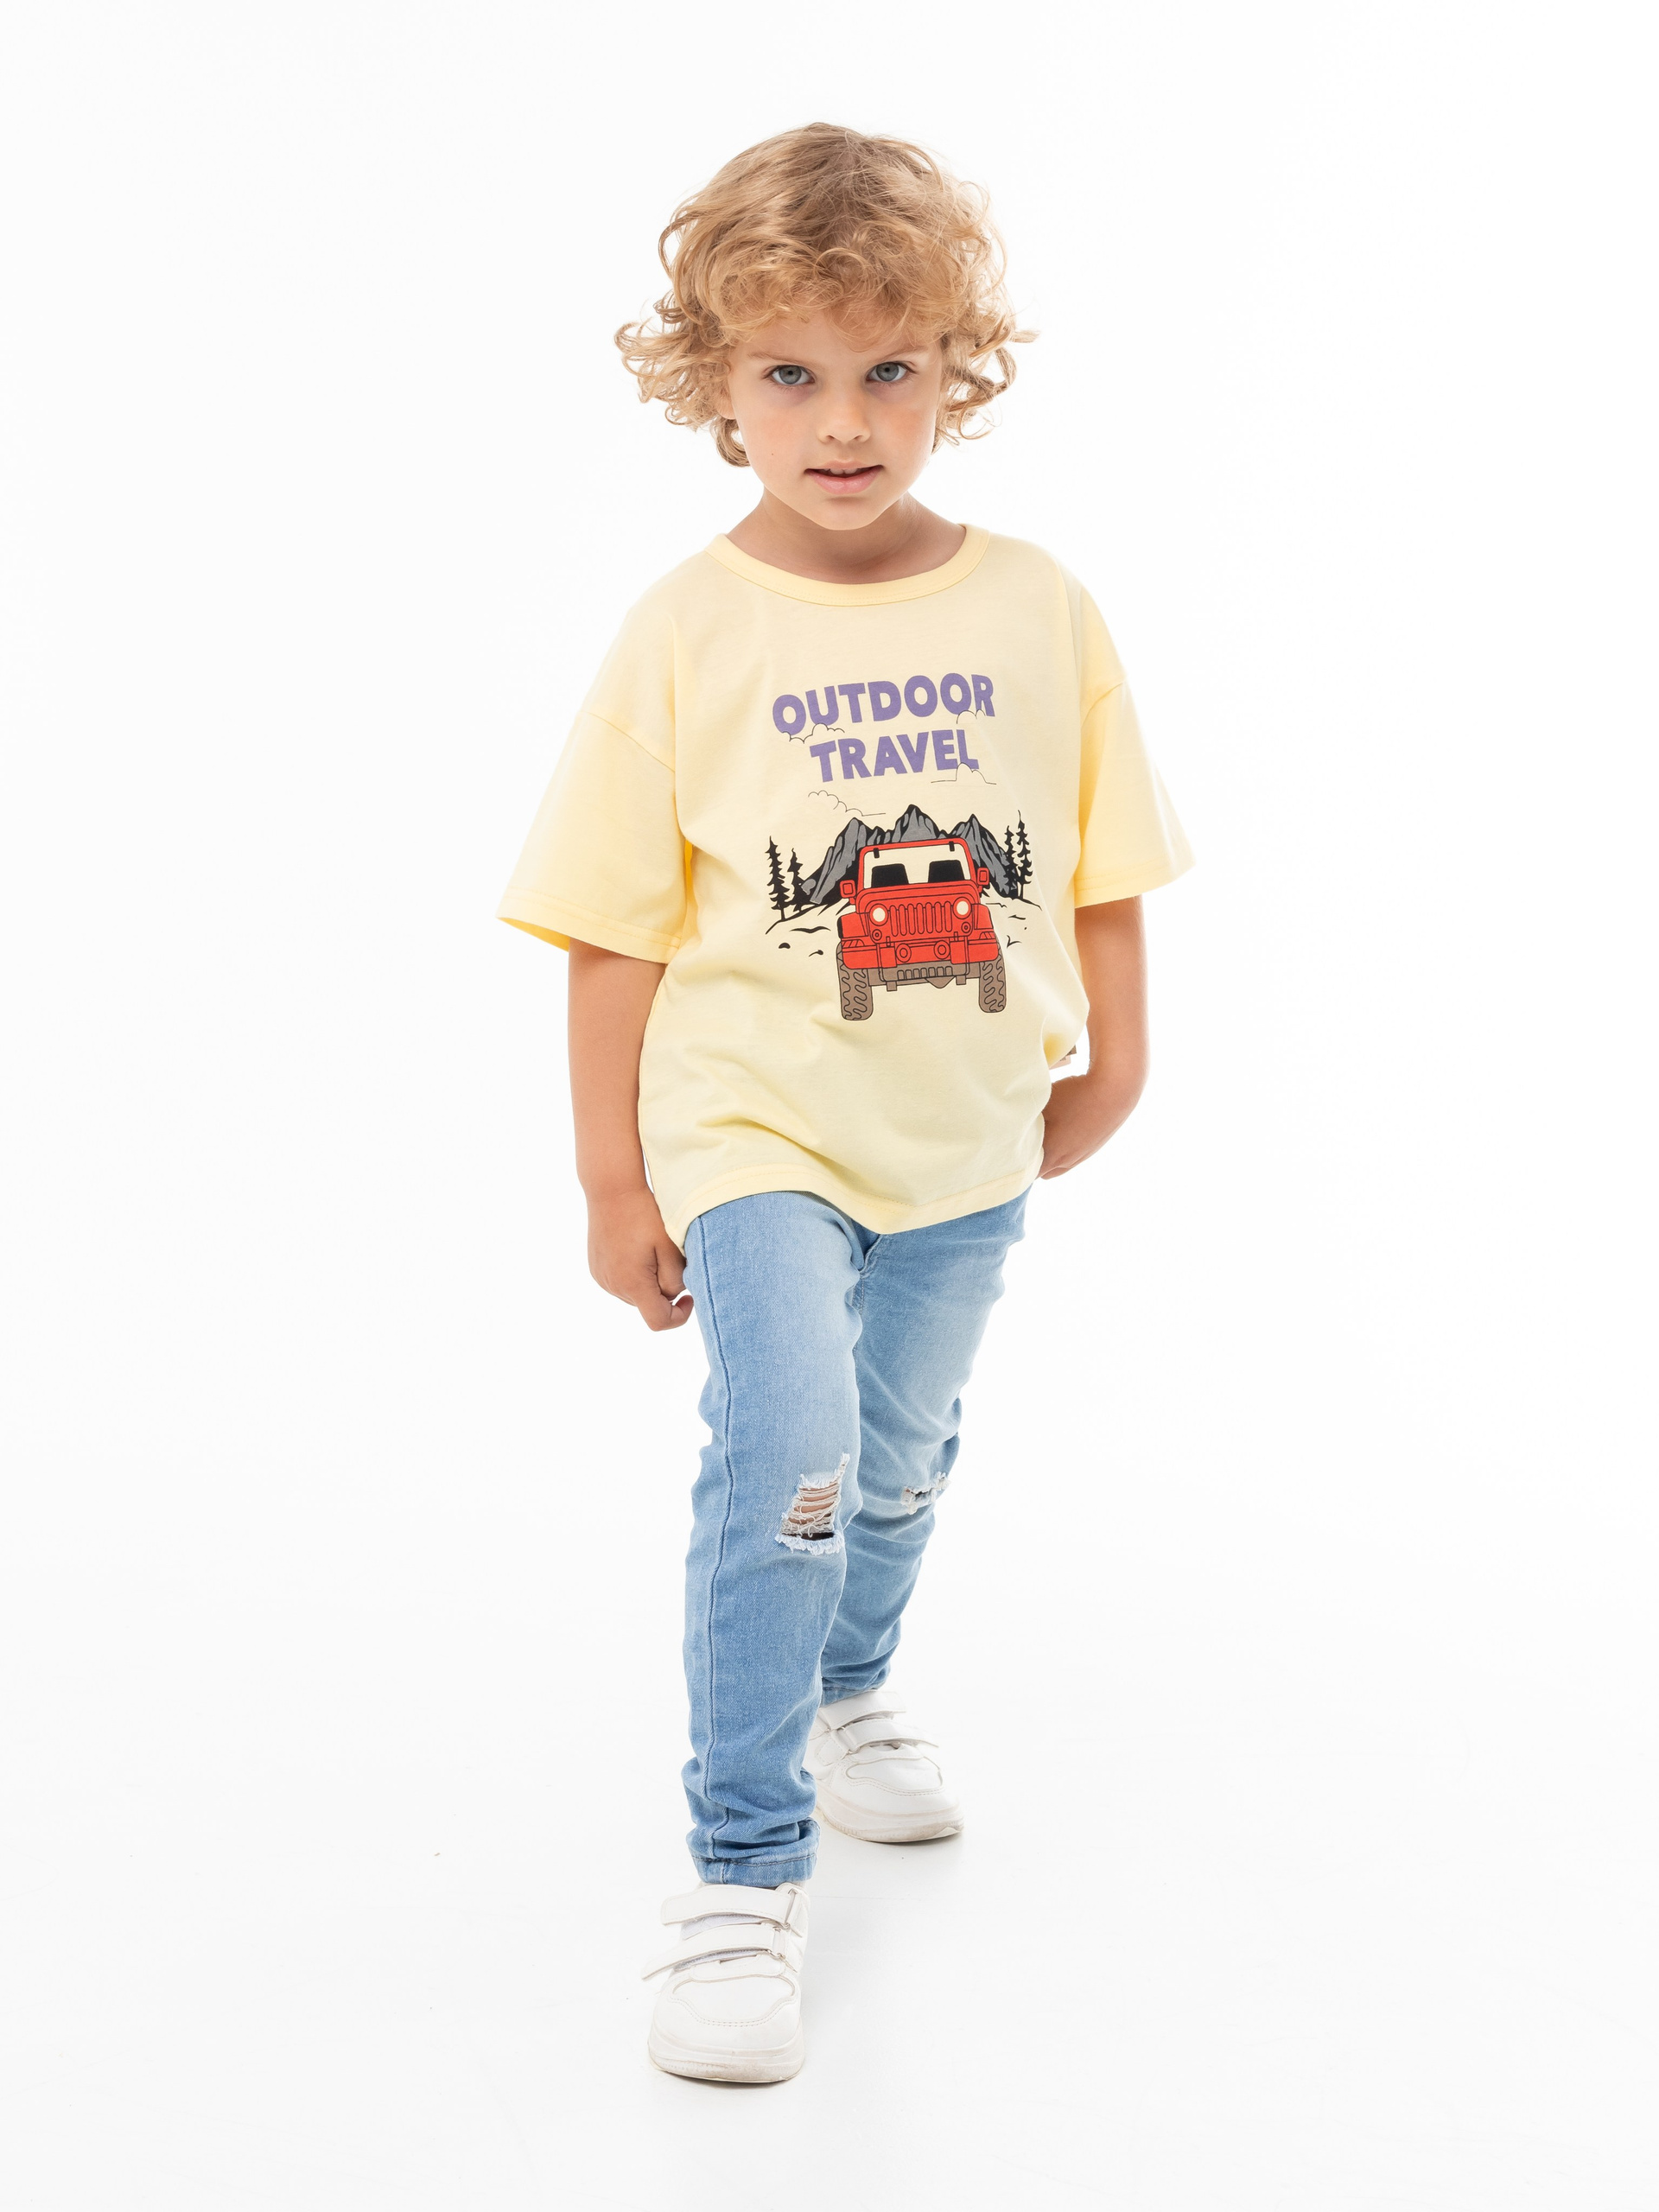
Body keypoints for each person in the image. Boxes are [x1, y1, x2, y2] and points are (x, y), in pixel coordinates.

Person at [498, 123, 1192, 2084]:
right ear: (714, 383)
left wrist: (1119, 1062)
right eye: (790, 371)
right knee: (787, 1459)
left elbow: (1104, 861)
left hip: (968, 1125)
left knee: (895, 1460)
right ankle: (742, 1869)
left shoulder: (1040, 605)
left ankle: (854, 1680)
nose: (844, 419)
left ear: (955, 365)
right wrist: (610, 1176)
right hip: (755, 1128)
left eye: (890, 366)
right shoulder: (687, 628)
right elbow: (615, 928)